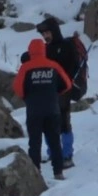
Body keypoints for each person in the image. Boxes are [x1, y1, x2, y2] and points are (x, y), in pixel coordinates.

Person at [13, 39, 72, 180]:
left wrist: (27, 97)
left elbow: (18, 88)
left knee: (34, 143)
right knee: (55, 142)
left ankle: (36, 173)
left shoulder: (25, 68)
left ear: (30, 51)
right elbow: (67, 84)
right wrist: (55, 93)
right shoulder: (54, 66)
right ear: (43, 50)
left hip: (34, 111)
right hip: (53, 110)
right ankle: (58, 172)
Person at [36, 17, 79, 169]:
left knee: (64, 122)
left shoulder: (67, 46)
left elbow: (74, 67)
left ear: (54, 31)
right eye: (43, 34)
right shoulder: (44, 49)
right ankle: (53, 152)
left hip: (64, 90)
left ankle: (67, 155)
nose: (45, 36)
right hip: (48, 91)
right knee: (48, 123)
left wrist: (64, 82)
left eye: (47, 33)